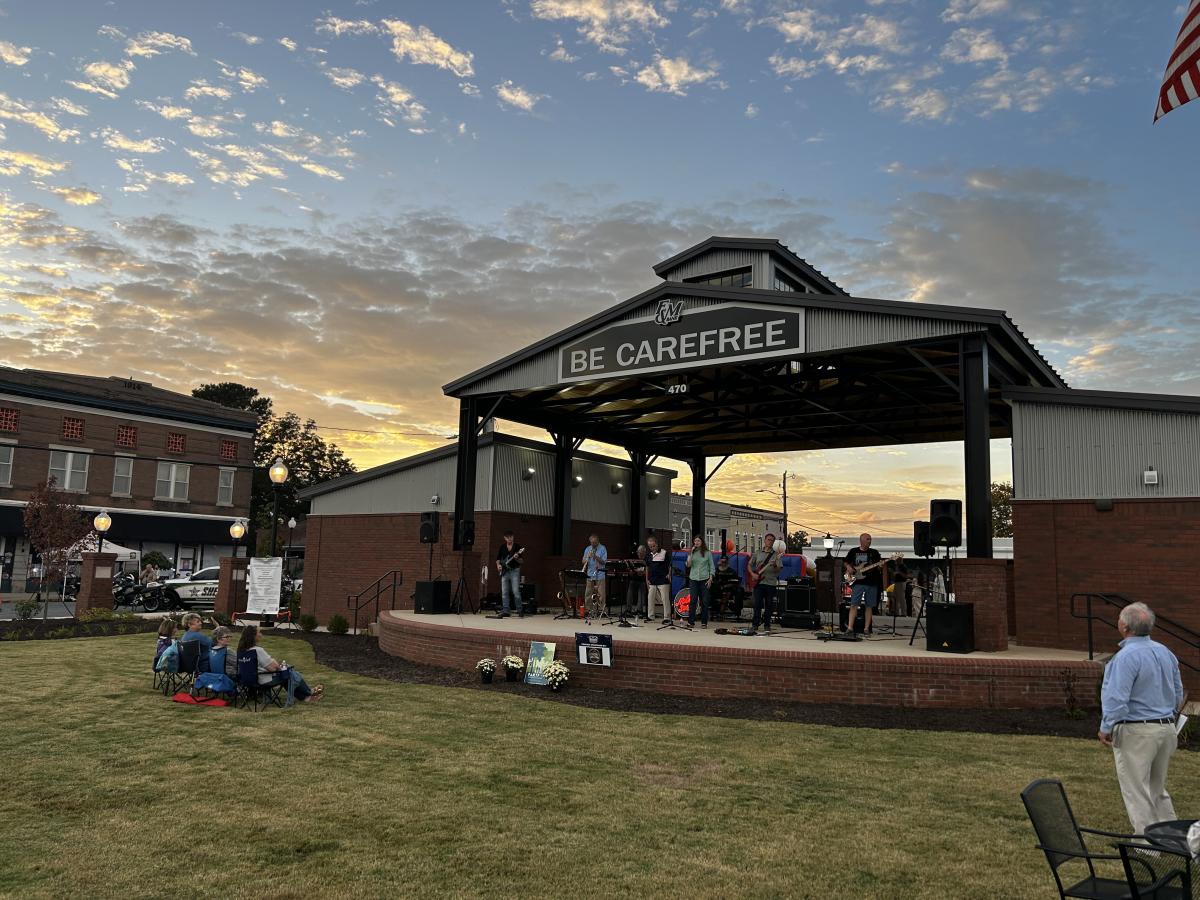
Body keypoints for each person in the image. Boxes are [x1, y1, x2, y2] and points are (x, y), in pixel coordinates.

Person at [1098, 602, 1184, 834]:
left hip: (1137, 730)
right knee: (1157, 787)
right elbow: (1178, 693)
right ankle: (1172, 836)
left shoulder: (1125, 657)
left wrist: (1106, 727)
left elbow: (1117, 698)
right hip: (1166, 727)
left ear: (1125, 626)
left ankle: (1147, 843)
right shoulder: (1166, 652)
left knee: (1136, 788)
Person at [237, 624, 323, 703]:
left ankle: (306, 696)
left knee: (286, 674)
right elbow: (273, 668)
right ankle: (309, 692)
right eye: (259, 632)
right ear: (253, 636)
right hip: (263, 680)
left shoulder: (241, 651)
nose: (261, 634)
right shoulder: (257, 650)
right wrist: (279, 665)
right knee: (289, 673)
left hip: (248, 680)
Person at [843, 533, 885, 638]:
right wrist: (848, 567)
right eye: (867, 539)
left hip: (871, 582)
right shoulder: (853, 551)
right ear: (861, 540)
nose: (869, 541)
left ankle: (866, 629)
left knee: (869, 606)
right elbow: (846, 561)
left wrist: (880, 566)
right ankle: (850, 628)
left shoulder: (874, 553)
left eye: (870, 539)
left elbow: (878, 568)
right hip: (857, 582)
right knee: (853, 604)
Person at [749, 534, 783, 634]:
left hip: (770, 583)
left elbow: (779, 569)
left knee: (769, 605)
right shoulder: (758, 552)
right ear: (764, 540)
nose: (770, 542)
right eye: (768, 540)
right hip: (759, 583)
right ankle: (755, 624)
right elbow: (749, 565)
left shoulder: (776, 555)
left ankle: (767, 625)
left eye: (772, 540)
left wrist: (775, 564)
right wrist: (752, 574)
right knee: (757, 604)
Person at [685, 535, 714, 628]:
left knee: (704, 601)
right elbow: (688, 565)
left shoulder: (707, 553)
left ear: (702, 542)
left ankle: (704, 622)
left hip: (704, 579)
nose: (696, 542)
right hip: (693, 579)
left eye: (698, 541)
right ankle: (691, 622)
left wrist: (711, 578)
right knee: (693, 600)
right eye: (695, 541)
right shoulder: (692, 552)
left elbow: (711, 566)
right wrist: (690, 553)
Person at [495, 530, 525, 618]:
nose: (509, 538)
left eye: (511, 537)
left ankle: (520, 610)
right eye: (507, 537)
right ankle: (506, 611)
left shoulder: (517, 547)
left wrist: (516, 558)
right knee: (504, 592)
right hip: (504, 572)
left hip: (514, 571)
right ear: (505, 538)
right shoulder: (502, 547)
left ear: (513, 537)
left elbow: (522, 561)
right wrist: (498, 565)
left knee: (515, 591)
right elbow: (498, 559)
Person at [644, 535, 672, 622]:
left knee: (665, 599)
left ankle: (667, 617)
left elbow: (670, 565)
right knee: (650, 598)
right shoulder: (648, 555)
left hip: (663, 580)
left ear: (657, 544)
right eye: (650, 547)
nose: (652, 548)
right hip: (652, 580)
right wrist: (646, 579)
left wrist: (669, 574)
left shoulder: (664, 553)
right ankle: (650, 616)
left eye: (653, 546)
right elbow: (647, 567)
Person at [582, 534, 608, 614]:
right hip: (590, 574)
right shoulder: (588, 549)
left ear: (598, 541)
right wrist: (587, 558)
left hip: (600, 574)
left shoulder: (603, 548)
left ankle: (601, 610)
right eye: (591, 543)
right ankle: (588, 609)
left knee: (601, 594)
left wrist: (595, 556)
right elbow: (583, 561)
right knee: (588, 593)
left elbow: (604, 562)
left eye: (594, 543)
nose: (593, 544)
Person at [626, 545, 648, 619]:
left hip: (642, 579)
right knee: (630, 590)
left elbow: (649, 570)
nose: (640, 555)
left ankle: (639, 610)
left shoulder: (647, 559)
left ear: (645, 553)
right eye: (639, 553)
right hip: (634, 578)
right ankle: (628, 610)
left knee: (641, 590)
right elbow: (629, 568)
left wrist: (644, 572)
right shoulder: (634, 557)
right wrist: (631, 571)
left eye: (642, 553)